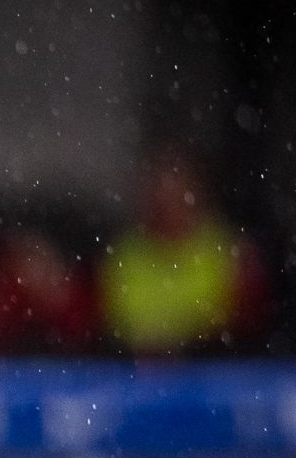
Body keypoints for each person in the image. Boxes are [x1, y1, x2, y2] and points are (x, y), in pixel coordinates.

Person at [100, 146, 268, 358]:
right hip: (138, 371)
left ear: (196, 194)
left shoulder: (228, 250)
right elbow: (118, 319)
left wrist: (181, 339)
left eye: (175, 193)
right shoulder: (123, 254)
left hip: (213, 369)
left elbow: (237, 321)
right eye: (158, 193)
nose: (166, 204)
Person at [0, 224, 100, 357]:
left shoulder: (75, 294)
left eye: (45, 259)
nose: (36, 269)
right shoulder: (1, 294)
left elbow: (82, 345)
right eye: (29, 258)